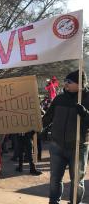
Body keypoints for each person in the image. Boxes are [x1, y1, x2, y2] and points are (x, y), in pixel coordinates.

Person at [43, 70, 89, 204]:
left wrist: (85, 113)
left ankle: (74, 202)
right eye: (65, 81)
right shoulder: (59, 98)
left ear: (80, 84)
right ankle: (53, 202)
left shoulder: (87, 99)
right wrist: (36, 127)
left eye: (69, 81)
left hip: (78, 147)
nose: (65, 84)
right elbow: (47, 118)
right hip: (57, 146)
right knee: (55, 178)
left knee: (77, 181)